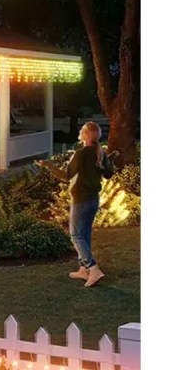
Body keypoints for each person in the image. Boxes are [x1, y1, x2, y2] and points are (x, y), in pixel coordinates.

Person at [65, 121, 114, 287]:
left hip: (81, 200)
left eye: (82, 131)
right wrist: (110, 159)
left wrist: (48, 166)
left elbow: (66, 175)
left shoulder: (81, 154)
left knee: (76, 235)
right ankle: (83, 269)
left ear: (85, 135)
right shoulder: (100, 153)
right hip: (93, 199)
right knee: (85, 234)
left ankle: (93, 268)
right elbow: (108, 174)